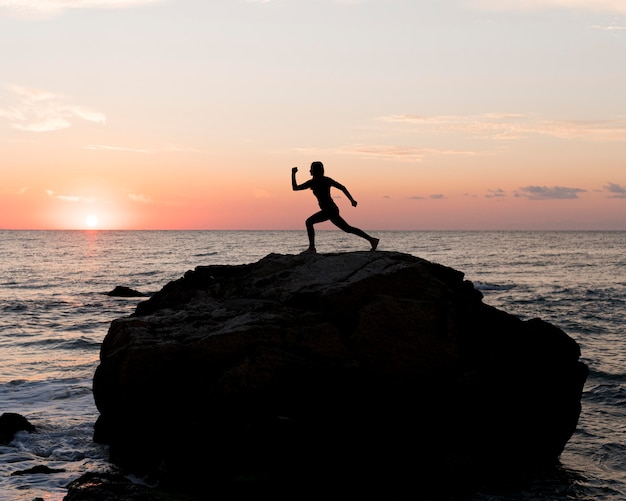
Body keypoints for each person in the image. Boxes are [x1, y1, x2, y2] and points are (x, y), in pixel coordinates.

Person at [291, 161, 379, 253]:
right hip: (329, 210)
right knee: (348, 229)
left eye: (311, 169)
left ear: (316, 171)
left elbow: (342, 187)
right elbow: (295, 188)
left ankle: (312, 248)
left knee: (309, 222)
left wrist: (352, 200)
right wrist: (293, 174)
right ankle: (372, 240)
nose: (309, 171)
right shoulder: (312, 183)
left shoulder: (326, 180)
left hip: (330, 210)